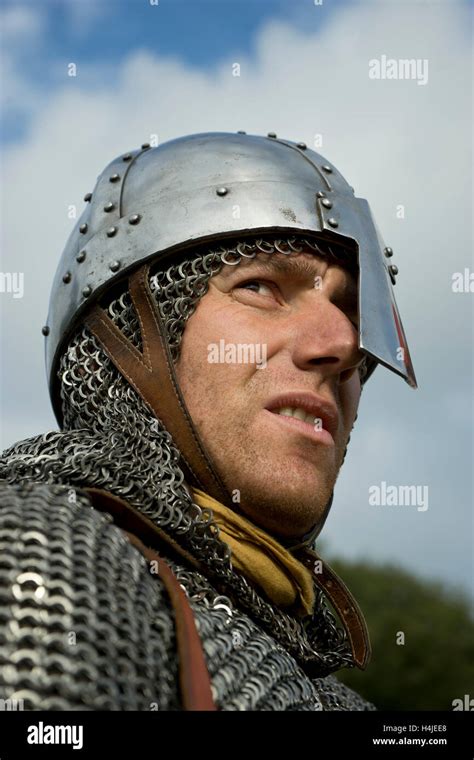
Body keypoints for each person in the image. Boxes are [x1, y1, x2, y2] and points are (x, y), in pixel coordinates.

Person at [0, 131, 416, 711]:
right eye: (261, 287)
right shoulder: (39, 563)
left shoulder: (339, 703)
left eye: (351, 312)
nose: (343, 344)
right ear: (125, 344)